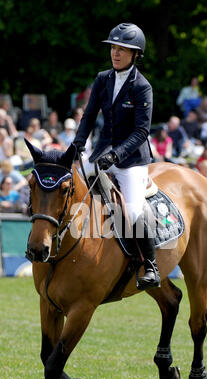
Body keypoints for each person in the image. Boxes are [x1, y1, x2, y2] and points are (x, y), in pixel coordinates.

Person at [73, 23, 160, 289]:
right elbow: (89, 115)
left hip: (131, 159)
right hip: (101, 152)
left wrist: (116, 155)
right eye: (113, 47)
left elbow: (142, 131)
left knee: (132, 211)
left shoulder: (142, 86)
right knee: (73, 189)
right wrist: (77, 143)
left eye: (123, 49)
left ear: (136, 55)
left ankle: (150, 265)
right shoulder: (102, 79)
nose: (116, 53)